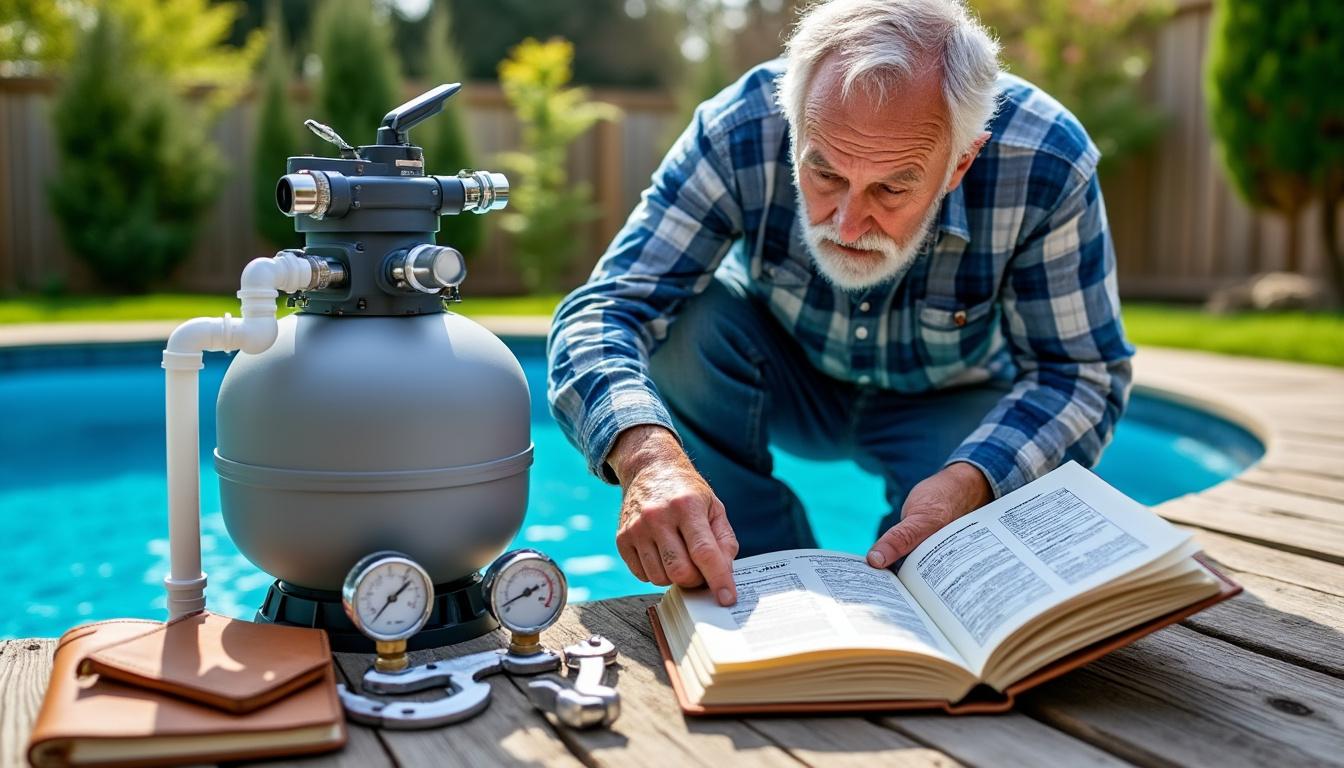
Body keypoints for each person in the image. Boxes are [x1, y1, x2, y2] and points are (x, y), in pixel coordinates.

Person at [546, 0, 1133, 607]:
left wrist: (975, 482)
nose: (849, 224)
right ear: (793, 126)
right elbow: (606, 310)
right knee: (683, 328)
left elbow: (1079, 372)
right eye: (825, 175)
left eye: (892, 186)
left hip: (949, 407)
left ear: (961, 161)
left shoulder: (1047, 159)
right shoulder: (737, 127)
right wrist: (647, 458)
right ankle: (756, 583)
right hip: (784, 377)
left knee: (947, 563)